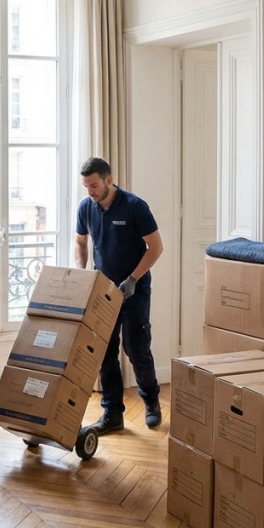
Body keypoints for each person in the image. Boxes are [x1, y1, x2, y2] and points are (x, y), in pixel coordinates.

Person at [74, 157, 165, 432]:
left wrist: (133, 279)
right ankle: (112, 413)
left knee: (136, 348)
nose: (90, 191)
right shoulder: (86, 207)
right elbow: (80, 242)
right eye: (86, 186)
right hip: (103, 290)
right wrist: (83, 272)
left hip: (134, 289)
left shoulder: (135, 206)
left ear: (109, 180)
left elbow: (156, 247)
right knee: (105, 350)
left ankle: (151, 401)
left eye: (94, 185)